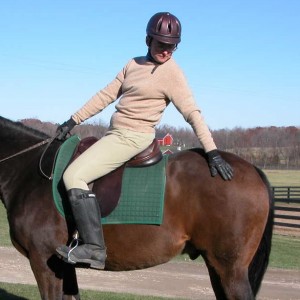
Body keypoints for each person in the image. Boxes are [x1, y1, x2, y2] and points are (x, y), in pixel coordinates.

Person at [55, 12, 233, 270]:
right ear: (148, 40)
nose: (167, 51)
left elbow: (192, 113)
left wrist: (212, 150)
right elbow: (105, 95)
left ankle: (93, 248)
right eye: (162, 44)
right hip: (115, 133)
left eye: (172, 46)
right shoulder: (132, 64)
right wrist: (73, 120)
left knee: (73, 177)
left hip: (132, 138)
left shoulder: (172, 73)